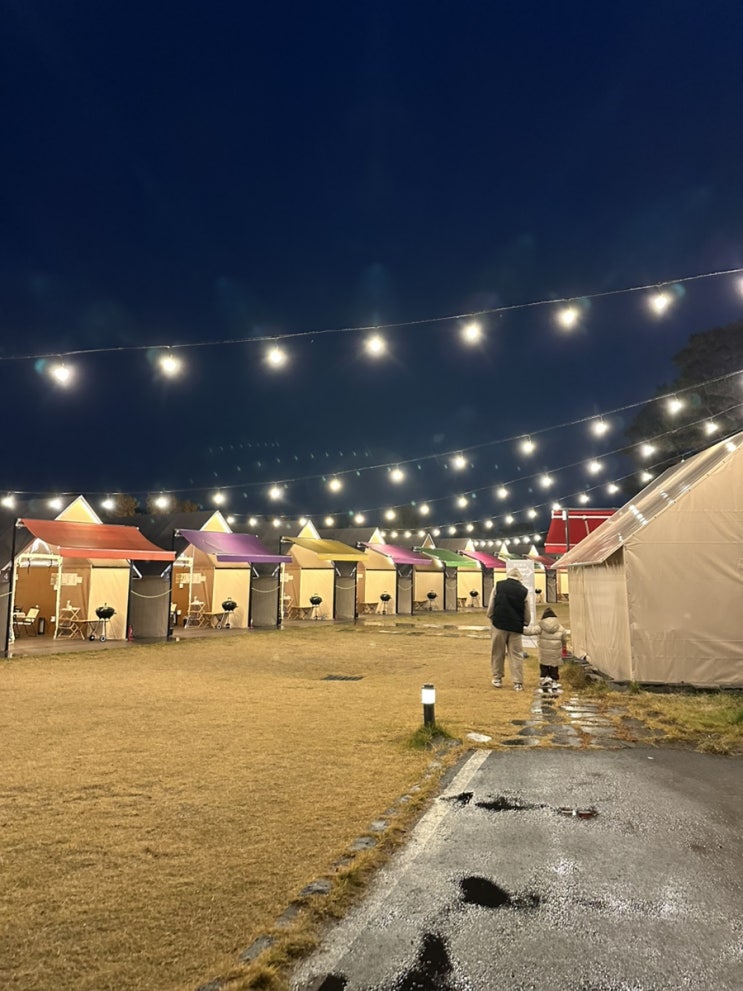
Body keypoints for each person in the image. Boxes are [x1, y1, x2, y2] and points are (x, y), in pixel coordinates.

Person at [486, 568, 530, 691]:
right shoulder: (524, 590)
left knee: (497, 652)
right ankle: (518, 682)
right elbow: (527, 609)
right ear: (519, 578)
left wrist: (490, 616)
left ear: (508, 576)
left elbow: (492, 603)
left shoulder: (499, 585)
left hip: (499, 624)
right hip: (515, 627)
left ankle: (497, 678)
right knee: (516, 654)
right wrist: (526, 622)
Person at [524, 606, 570, 696]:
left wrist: (518, 629)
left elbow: (530, 631)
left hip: (544, 653)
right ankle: (554, 680)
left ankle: (544, 678)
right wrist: (564, 648)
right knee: (554, 666)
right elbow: (564, 640)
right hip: (555, 653)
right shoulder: (560, 628)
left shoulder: (541, 626)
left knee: (544, 665)